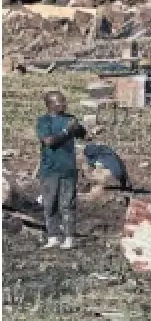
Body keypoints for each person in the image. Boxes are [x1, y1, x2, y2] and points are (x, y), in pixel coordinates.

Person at [36, 91, 86, 250]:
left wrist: (78, 129)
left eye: (64, 101)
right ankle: (53, 236)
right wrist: (66, 132)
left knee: (67, 204)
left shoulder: (70, 119)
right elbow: (49, 141)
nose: (63, 104)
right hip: (50, 169)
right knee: (50, 204)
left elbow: (83, 134)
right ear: (50, 105)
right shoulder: (44, 121)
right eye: (59, 102)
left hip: (68, 169)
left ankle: (69, 237)